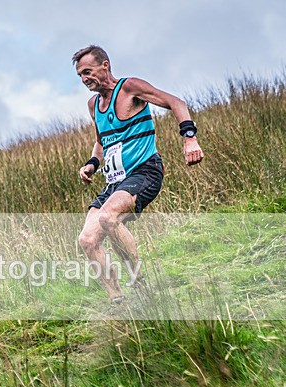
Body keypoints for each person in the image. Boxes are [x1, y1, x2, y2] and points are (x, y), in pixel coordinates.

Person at [72, 45, 204, 307]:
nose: (84, 78)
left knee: (108, 217)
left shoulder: (130, 88)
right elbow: (101, 142)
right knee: (87, 240)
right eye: (80, 75)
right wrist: (91, 164)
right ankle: (118, 301)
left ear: (105, 65)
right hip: (115, 181)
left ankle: (140, 284)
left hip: (145, 171)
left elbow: (176, 103)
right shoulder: (93, 105)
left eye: (87, 71)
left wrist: (189, 138)